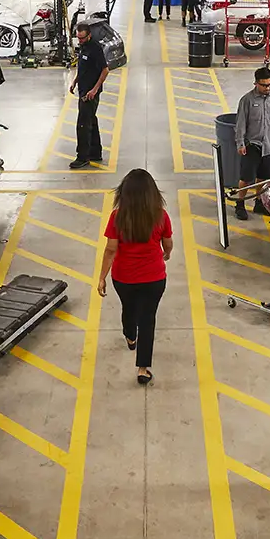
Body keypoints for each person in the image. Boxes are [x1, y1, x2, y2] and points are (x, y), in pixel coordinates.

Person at [95, 169, 173, 385]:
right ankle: (142, 368)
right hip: (154, 278)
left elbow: (111, 249)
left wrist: (102, 277)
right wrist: (167, 253)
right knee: (148, 319)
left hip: (124, 278)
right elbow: (167, 242)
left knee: (128, 309)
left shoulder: (117, 217)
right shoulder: (161, 215)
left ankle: (130, 335)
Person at [232, 65, 270, 221]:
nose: (267, 88)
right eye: (264, 85)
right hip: (252, 146)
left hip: (269, 146)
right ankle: (240, 204)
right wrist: (240, 143)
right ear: (256, 83)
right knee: (246, 178)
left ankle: (259, 203)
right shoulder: (247, 100)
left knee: (263, 178)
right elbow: (241, 124)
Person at [69, 20, 109, 170]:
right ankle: (95, 152)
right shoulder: (83, 47)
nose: (80, 41)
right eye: (78, 38)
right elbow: (83, 67)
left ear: (89, 36)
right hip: (83, 89)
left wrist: (94, 90)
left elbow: (105, 70)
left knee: (83, 125)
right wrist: (75, 81)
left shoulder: (95, 49)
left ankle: (82, 157)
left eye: (82, 38)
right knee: (91, 120)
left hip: (90, 93)